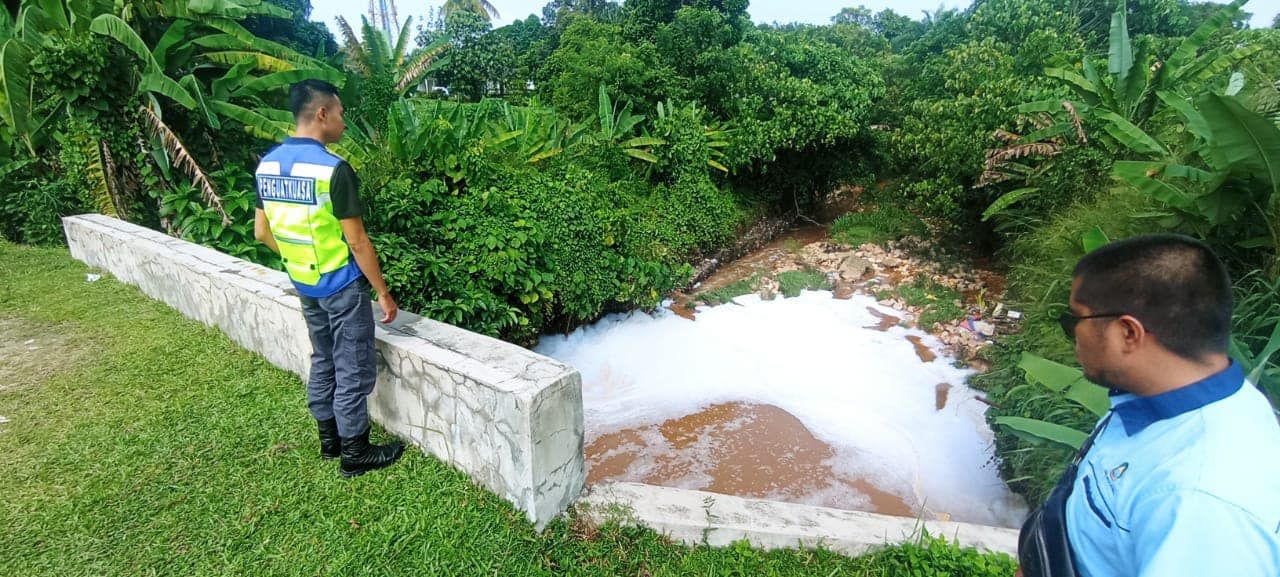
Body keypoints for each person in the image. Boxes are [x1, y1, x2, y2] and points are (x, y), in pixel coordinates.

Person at [1018, 234, 1280, 577]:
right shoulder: (1154, 399)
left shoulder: (1200, 498)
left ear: (1128, 333)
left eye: (1075, 320)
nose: (1073, 336)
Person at [254, 80, 404, 478]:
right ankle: (355, 452)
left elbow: (261, 233)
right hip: (340, 284)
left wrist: (297, 259)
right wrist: (383, 294)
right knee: (352, 365)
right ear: (322, 114)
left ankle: (329, 440)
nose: (343, 122)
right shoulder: (332, 170)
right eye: (339, 113)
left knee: (323, 358)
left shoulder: (266, 165)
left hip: (304, 282)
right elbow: (357, 241)